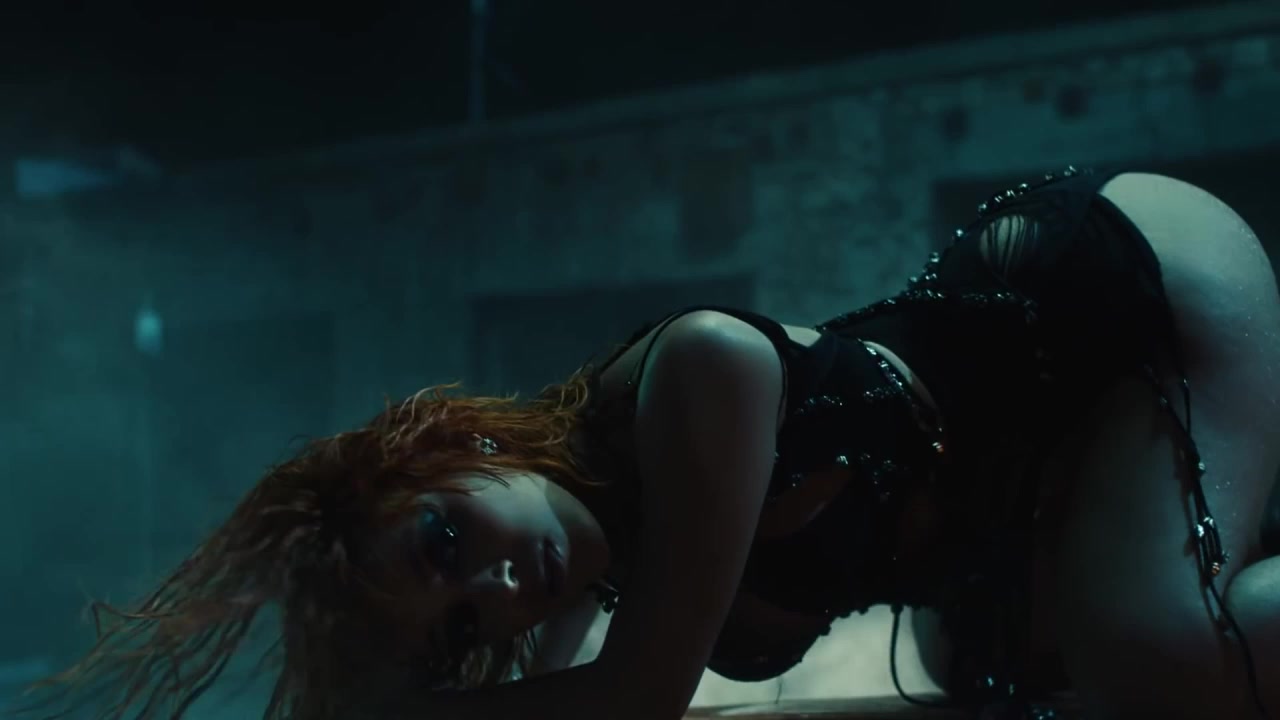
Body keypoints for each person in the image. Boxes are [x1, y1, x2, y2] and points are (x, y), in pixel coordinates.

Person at [14, 168, 1279, 720]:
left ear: (450, 444)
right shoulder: (586, 567)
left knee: (1157, 666)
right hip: (1026, 498)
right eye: (465, 622)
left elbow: (636, 699)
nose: (498, 583)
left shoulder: (696, 371)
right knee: (1006, 681)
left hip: (1110, 280)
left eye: (444, 539)